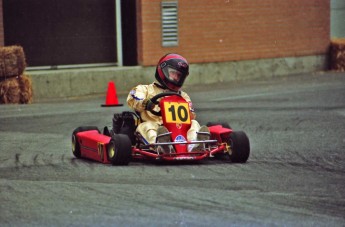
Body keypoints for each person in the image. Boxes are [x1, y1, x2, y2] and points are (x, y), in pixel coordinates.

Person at [127, 53, 209, 152]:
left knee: (194, 123)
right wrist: (145, 103)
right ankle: (161, 146)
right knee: (146, 126)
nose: (175, 78)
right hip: (154, 125)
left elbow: (190, 115)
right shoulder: (145, 89)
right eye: (173, 73)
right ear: (163, 70)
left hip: (178, 129)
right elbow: (133, 98)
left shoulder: (183, 96)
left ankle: (194, 145)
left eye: (179, 75)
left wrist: (188, 113)